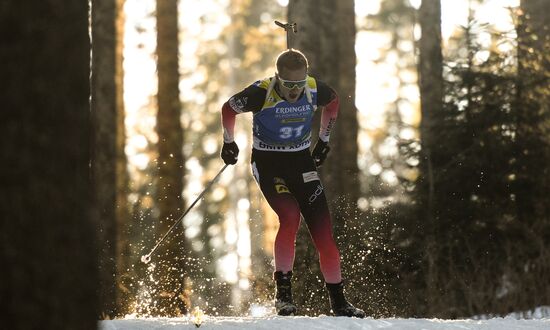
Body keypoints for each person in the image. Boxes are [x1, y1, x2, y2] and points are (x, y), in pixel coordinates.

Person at [219, 49, 365, 318]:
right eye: (289, 85)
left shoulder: (313, 89)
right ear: (277, 79)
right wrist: (229, 142)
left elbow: (333, 103)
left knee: (323, 231)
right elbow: (228, 109)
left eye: (299, 84)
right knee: (289, 216)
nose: (295, 91)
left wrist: (324, 140)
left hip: (300, 162)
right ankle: (284, 296)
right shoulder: (260, 92)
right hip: (268, 162)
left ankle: (339, 302)